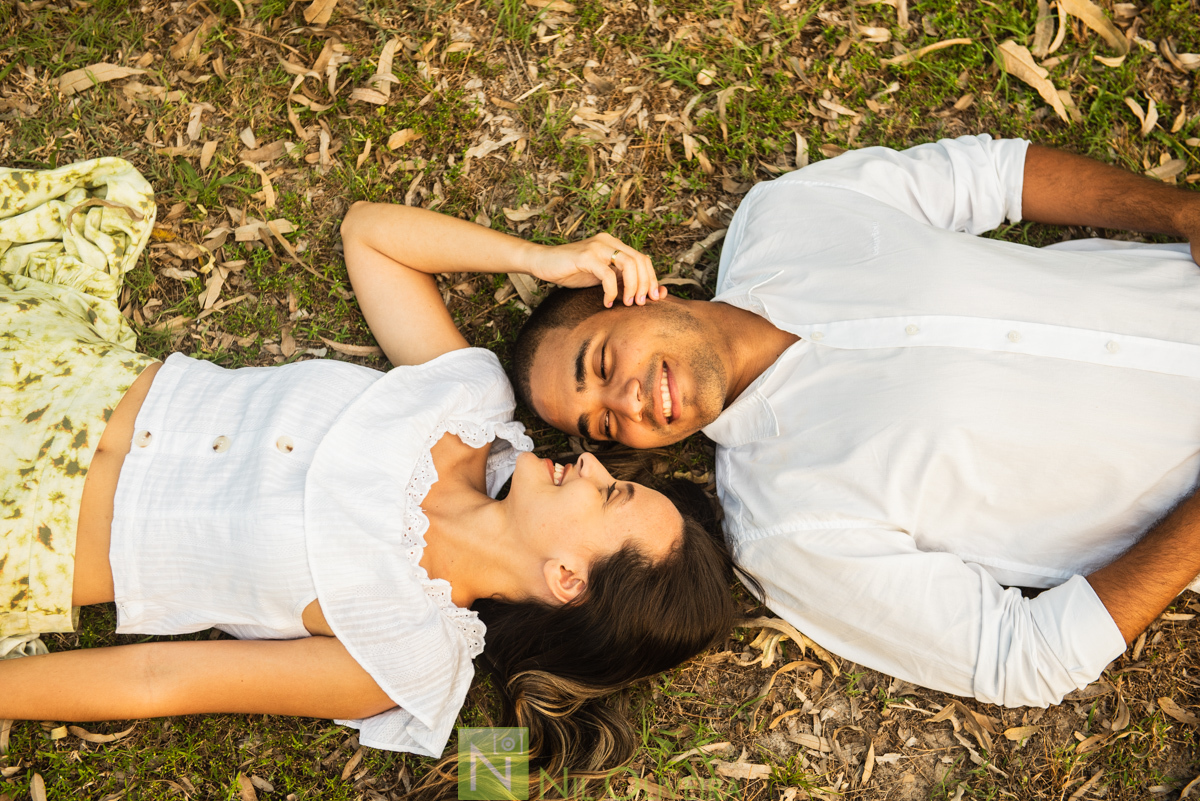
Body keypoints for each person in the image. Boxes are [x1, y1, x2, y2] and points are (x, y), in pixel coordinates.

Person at [0, 159, 742, 784]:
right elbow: (372, 235)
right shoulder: (470, 404)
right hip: (46, 371)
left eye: (609, 493)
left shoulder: (403, 651)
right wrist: (541, 258)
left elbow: (159, 679)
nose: (587, 463)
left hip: (22, 538)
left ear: (567, 579)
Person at [506, 134, 1200, 708]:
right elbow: (1021, 658)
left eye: (602, 364)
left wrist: (1185, 213)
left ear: (631, 292)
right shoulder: (786, 524)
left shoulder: (786, 217)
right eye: (604, 425)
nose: (626, 404)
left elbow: (990, 174)